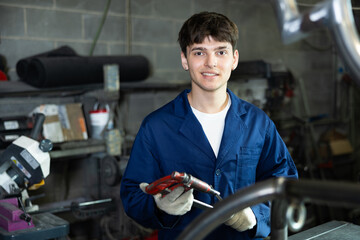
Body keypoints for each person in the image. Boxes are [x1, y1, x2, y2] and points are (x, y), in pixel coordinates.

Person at [120, 11, 298, 240]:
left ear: (234, 59)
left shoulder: (258, 123)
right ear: (185, 59)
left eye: (220, 52)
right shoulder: (156, 127)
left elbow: (285, 184)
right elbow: (132, 196)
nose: (210, 62)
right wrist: (157, 205)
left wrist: (256, 215)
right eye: (199, 52)